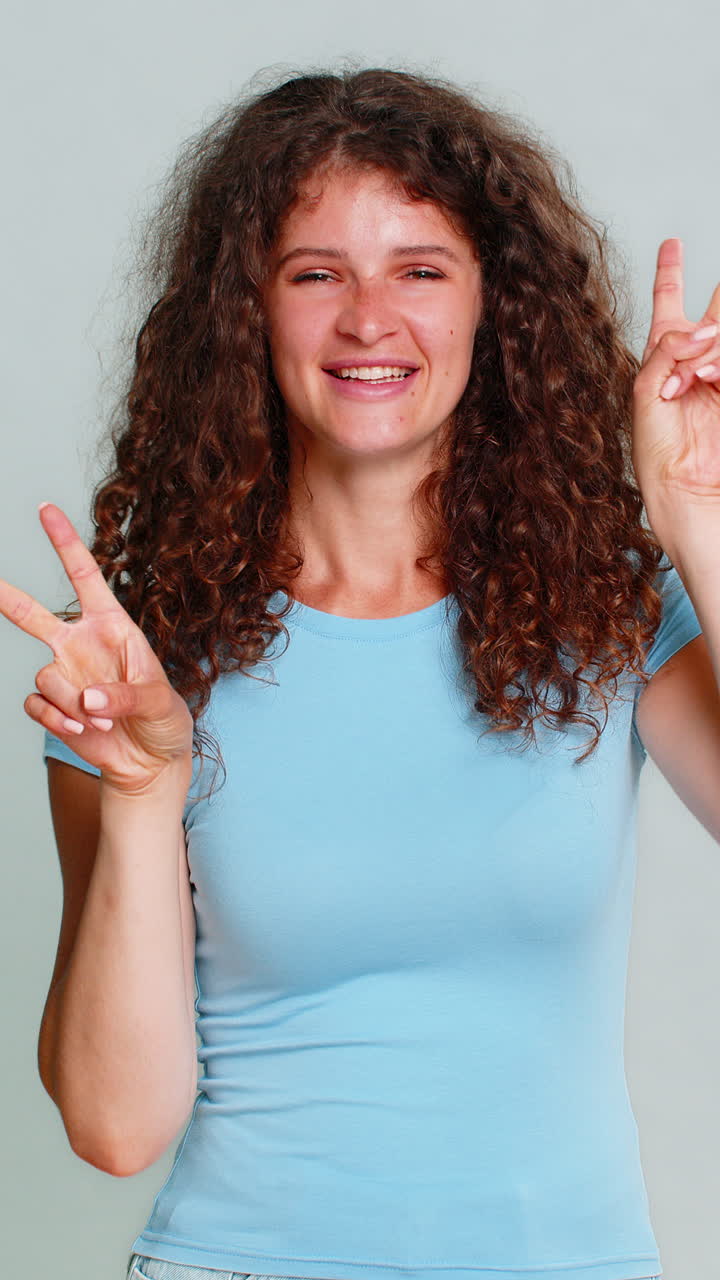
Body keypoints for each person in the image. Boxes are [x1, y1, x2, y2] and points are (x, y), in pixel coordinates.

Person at [3, 64, 720, 1280]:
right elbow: (115, 1127)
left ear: (494, 307)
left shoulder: (609, 604)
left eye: (420, 269)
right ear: (250, 312)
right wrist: (136, 793)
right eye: (316, 272)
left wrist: (696, 523)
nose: (369, 318)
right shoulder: (140, 660)